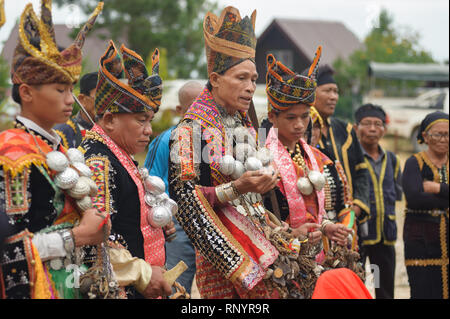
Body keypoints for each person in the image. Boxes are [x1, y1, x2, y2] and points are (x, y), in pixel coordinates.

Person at [169, 6, 286, 299]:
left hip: (262, 239)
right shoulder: (189, 131)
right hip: (222, 255)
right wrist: (236, 188)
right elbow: (184, 200)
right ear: (216, 78)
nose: (250, 88)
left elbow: (256, 190)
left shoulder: (244, 123)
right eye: (241, 78)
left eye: (253, 79)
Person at [0, 1, 106, 299]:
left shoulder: (56, 145)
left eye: (72, 89)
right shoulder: (12, 154)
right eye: (60, 90)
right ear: (27, 92)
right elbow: (8, 248)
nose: (70, 99)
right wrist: (76, 237)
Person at [79, 40, 174, 299]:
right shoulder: (99, 161)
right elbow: (95, 243)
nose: (148, 130)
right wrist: (142, 273)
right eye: (140, 120)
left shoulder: (118, 153)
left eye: (150, 120)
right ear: (109, 119)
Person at [263, 52, 353, 264]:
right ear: (272, 117)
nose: (300, 125)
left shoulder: (315, 156)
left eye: (305, 117)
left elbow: (315, 212)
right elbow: (254, 217)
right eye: (290, 118)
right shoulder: (261, 159)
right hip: (278, 260)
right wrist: (291, 233)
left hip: (314, 256)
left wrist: (325, 227)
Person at [144, 80, 203, 295]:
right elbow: (150, 185)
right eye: (193, 107)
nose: (200, 114)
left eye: (205, 106)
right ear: (180, 110)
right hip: (177, 223)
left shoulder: (216, 141)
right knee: (176, 285)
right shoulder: (164, 141)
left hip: (212, 220)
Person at [311, 65, 370, 229]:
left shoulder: (346, 130)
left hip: (349, 221)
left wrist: (356, 209)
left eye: (336, 91)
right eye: (327, 91)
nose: (333, 97)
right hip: (317, 223)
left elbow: (362, 172)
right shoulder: (299, 133)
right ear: (311, 93)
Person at [354, 103, 403, 299]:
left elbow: (397, 195)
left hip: (385, 235)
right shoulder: (351, 158)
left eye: (378, 124)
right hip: (358, 235)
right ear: (356, 127)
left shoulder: (392, 160)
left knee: (383, 288)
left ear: (384, 129)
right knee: (356, 285)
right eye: (366, 123)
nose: (372, 129)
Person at [402, 111, 449, 299]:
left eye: (448, 134)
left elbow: (423, 196)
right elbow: (414, 198)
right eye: (438, 134)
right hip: (420, 239)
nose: (444, 139)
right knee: (423, 287)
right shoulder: (414, 163)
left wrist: (437, 188)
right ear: (425, 137)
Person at [54, 72, 98, 148]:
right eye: (99, 98)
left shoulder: (114, 131)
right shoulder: (64, 131)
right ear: (82, 100)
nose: (105, 105)